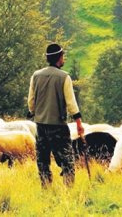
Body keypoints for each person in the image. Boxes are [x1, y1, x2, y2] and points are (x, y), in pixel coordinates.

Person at [27, 43, 85, 188]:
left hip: (40, 126)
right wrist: (79, 123)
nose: (64, 58)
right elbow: (71, 103)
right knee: (67, 160)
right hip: (58, 126)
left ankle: (46, 188)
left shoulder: (36, 75)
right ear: (59, 58)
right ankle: (68, 190)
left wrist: (34, 112)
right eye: (63, 56)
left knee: (43, 160)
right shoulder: (64, 77)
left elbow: (31, 101)